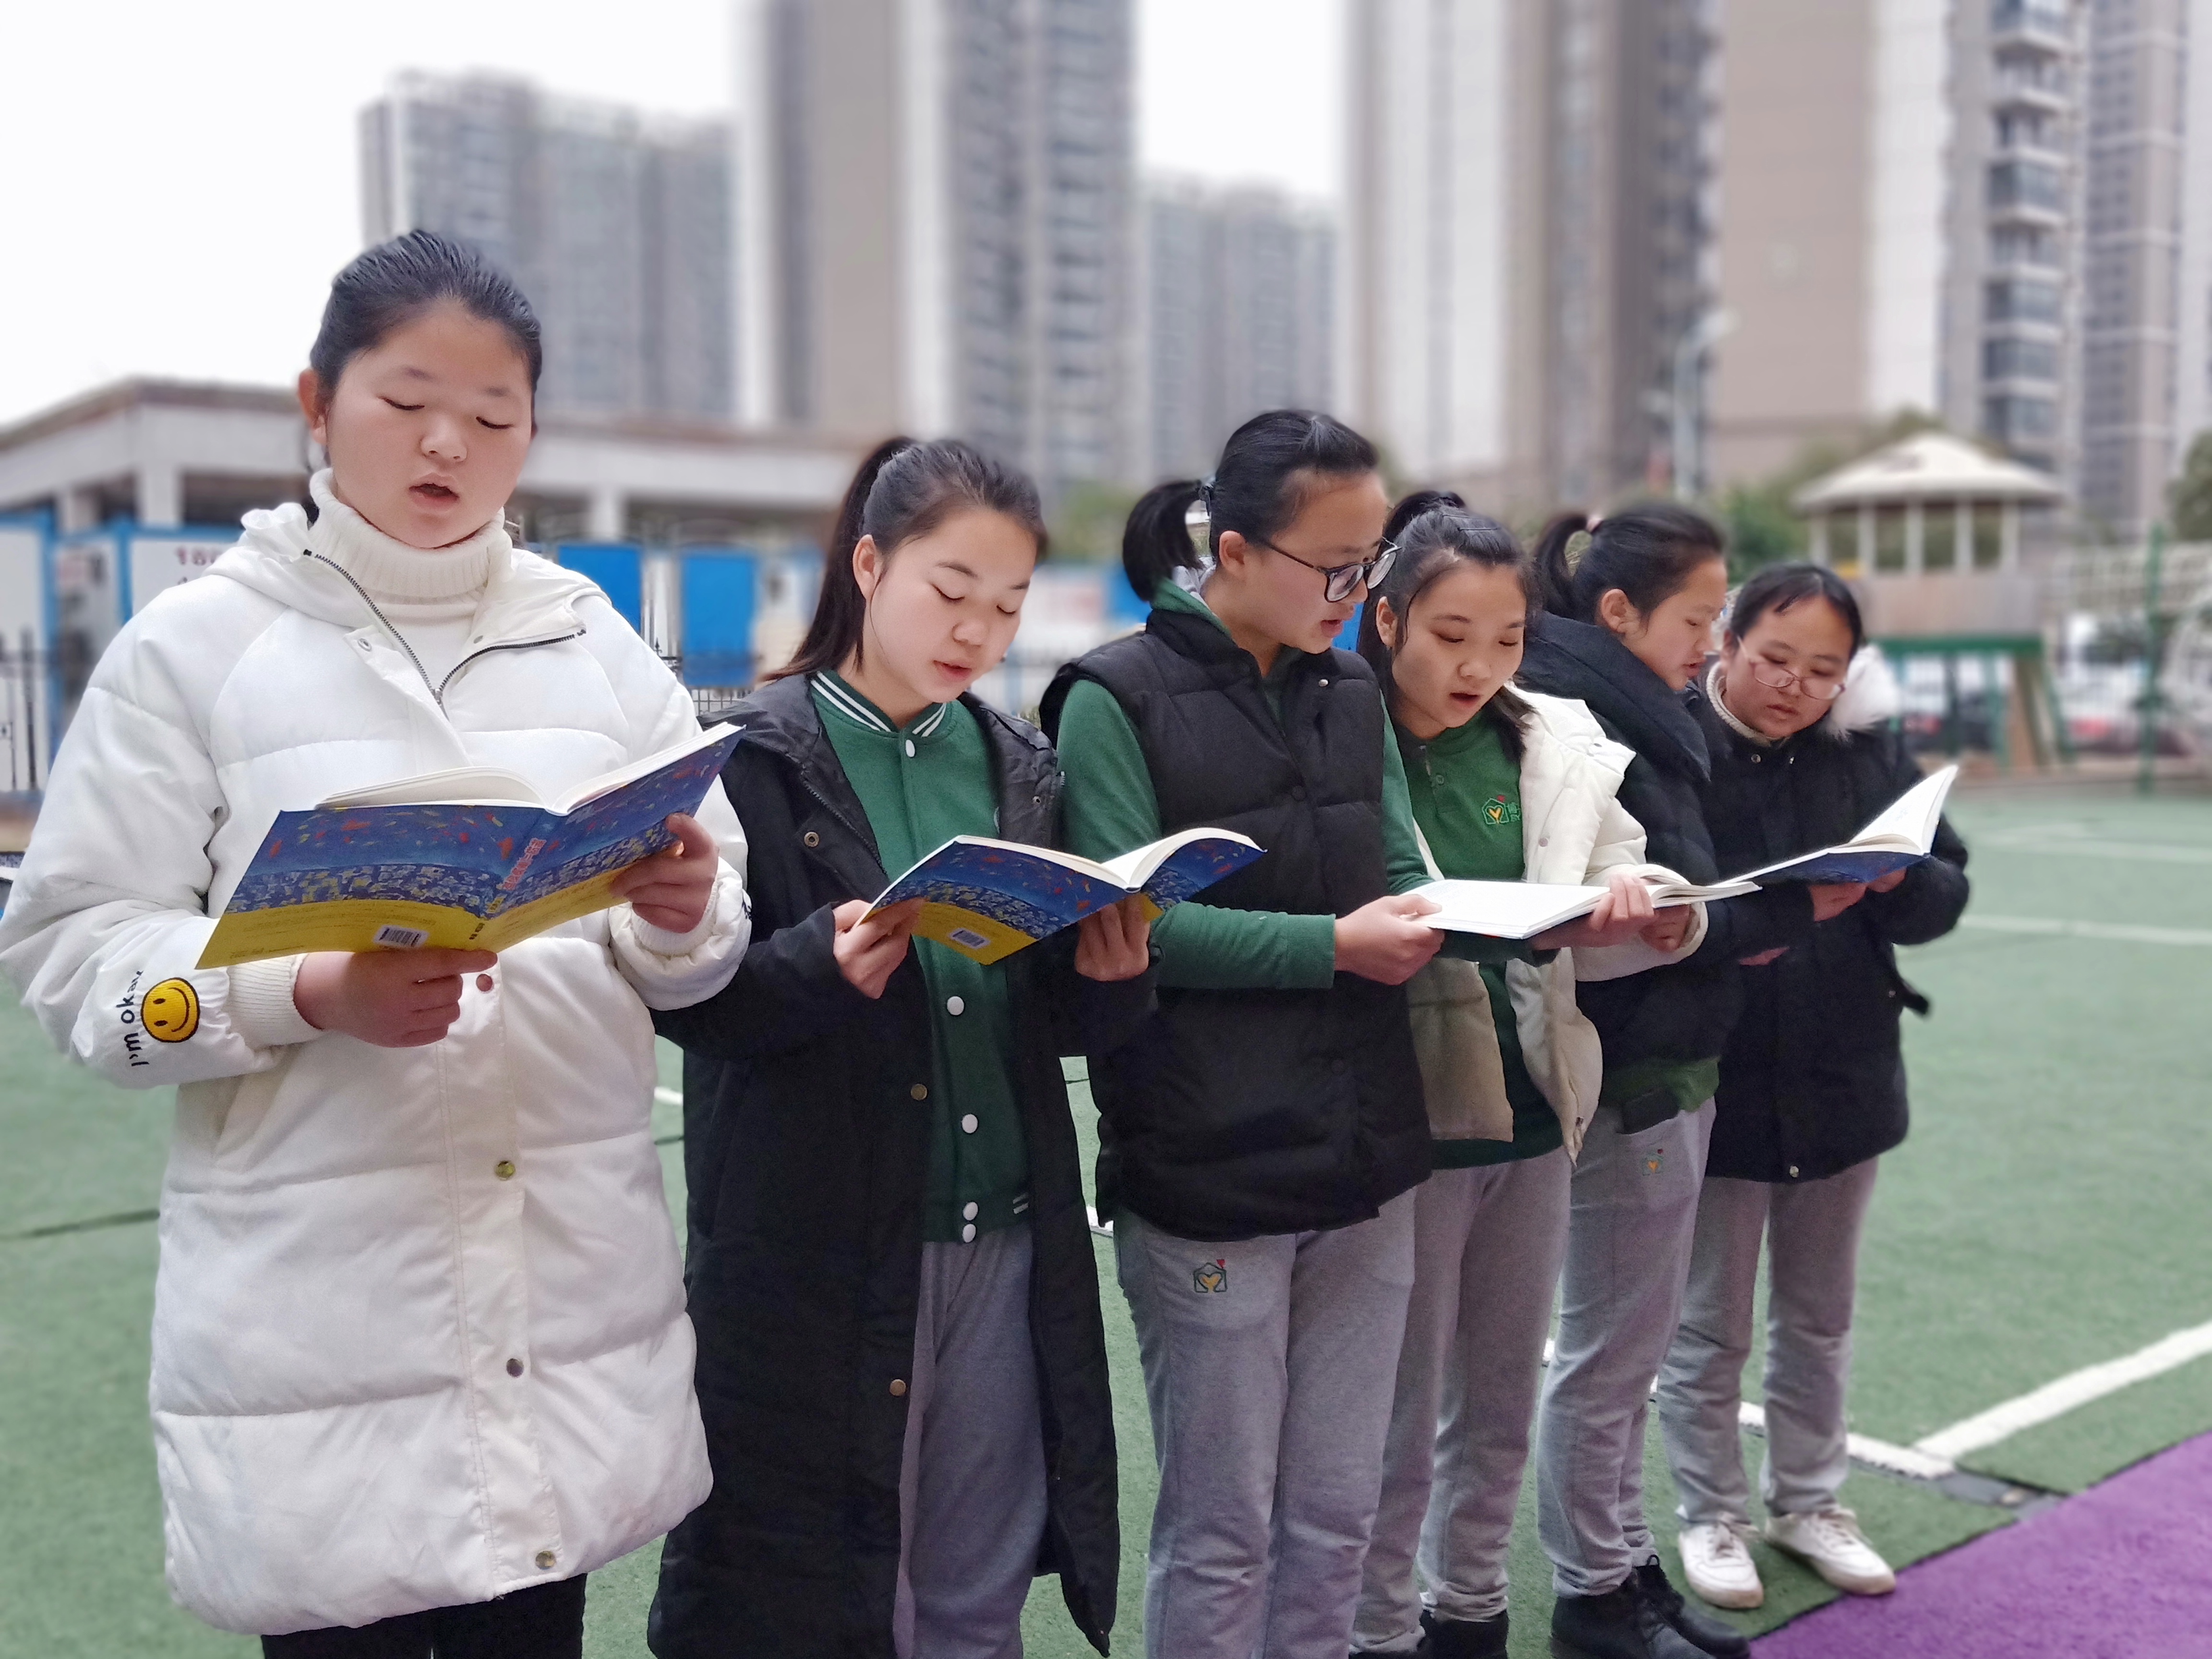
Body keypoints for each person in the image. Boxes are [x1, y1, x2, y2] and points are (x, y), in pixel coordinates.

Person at [0, 229, 751, 1655]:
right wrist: (304, 990)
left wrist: (682, 910)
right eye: (407, 403)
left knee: (536, 1617)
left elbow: (707, 945)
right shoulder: (194, 653)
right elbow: (72, 951)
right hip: (322, 1339)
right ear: (316, 403)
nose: (449, 443)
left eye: (494, 414)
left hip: (565, 1308)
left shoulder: (594, 645)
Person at [647, 437, 1154, 1659]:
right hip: (822, 1250)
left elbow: (1044, 1025)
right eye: (951, 589)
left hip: (1005, 1239)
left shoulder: (1018, 766)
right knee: (818, 1593)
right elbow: (690, 1005)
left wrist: (1113, 977)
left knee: (976, 1586)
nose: (977, 629)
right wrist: (811, 970)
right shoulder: (751, 758)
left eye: (1009, 604)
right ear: (869, 565)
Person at [1042, 411, 1463, 1659]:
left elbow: (1393, 867)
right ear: (1231, 549)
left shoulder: (1348, 690)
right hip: (1208, 1166)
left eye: (1369, 565)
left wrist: (1490, 909)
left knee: (1336, 1512)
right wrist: (1335, 948)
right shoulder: (1112, 698)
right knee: (1225, 1527)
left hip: (1367, 1156)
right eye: (1334, 568)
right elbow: (1141, 927)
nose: (1355, 595)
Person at [1347, 493, 1703, 1659]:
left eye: (1503, 640)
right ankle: (1380, 1630)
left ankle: (1472, 1614)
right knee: (1398, 1425)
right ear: (1388, 618)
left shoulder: (1550, 737)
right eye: (1451, 636)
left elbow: (1632, 880)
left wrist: (1646, 914)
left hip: (1537, 1114)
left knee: (1497, 1406)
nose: (1477, 666)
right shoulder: (1344, 741)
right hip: (1404, 1128)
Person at [1516, 507, 1852, 1659]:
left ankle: (1619, 1572)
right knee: (1605, 1355)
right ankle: (1593, 1593)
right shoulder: (1571, 712)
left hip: (1664, 1060)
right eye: (1701, 620)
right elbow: (1628, 905)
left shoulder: (1634, 707)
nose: (1710, 647)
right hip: (1626, 1070)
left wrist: (1709, 918)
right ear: (1616, 614)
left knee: (1622, 1351)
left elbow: (1678, 890)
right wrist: (1751, 918)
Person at [1657, 565, 1967, 1611]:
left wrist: (1903, 875)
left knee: (1819, 1314)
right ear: (1727, 642)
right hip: (1717, 1073)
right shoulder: (1674, 748)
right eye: (1774, 659)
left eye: (1822, 670)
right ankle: (1712, 1513)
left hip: (1846, 1072)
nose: (1794, 685)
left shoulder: (1870, 752)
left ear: (1849, 678)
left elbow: (1944, 893)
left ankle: (1809, 1499)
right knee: (1709, 1326)